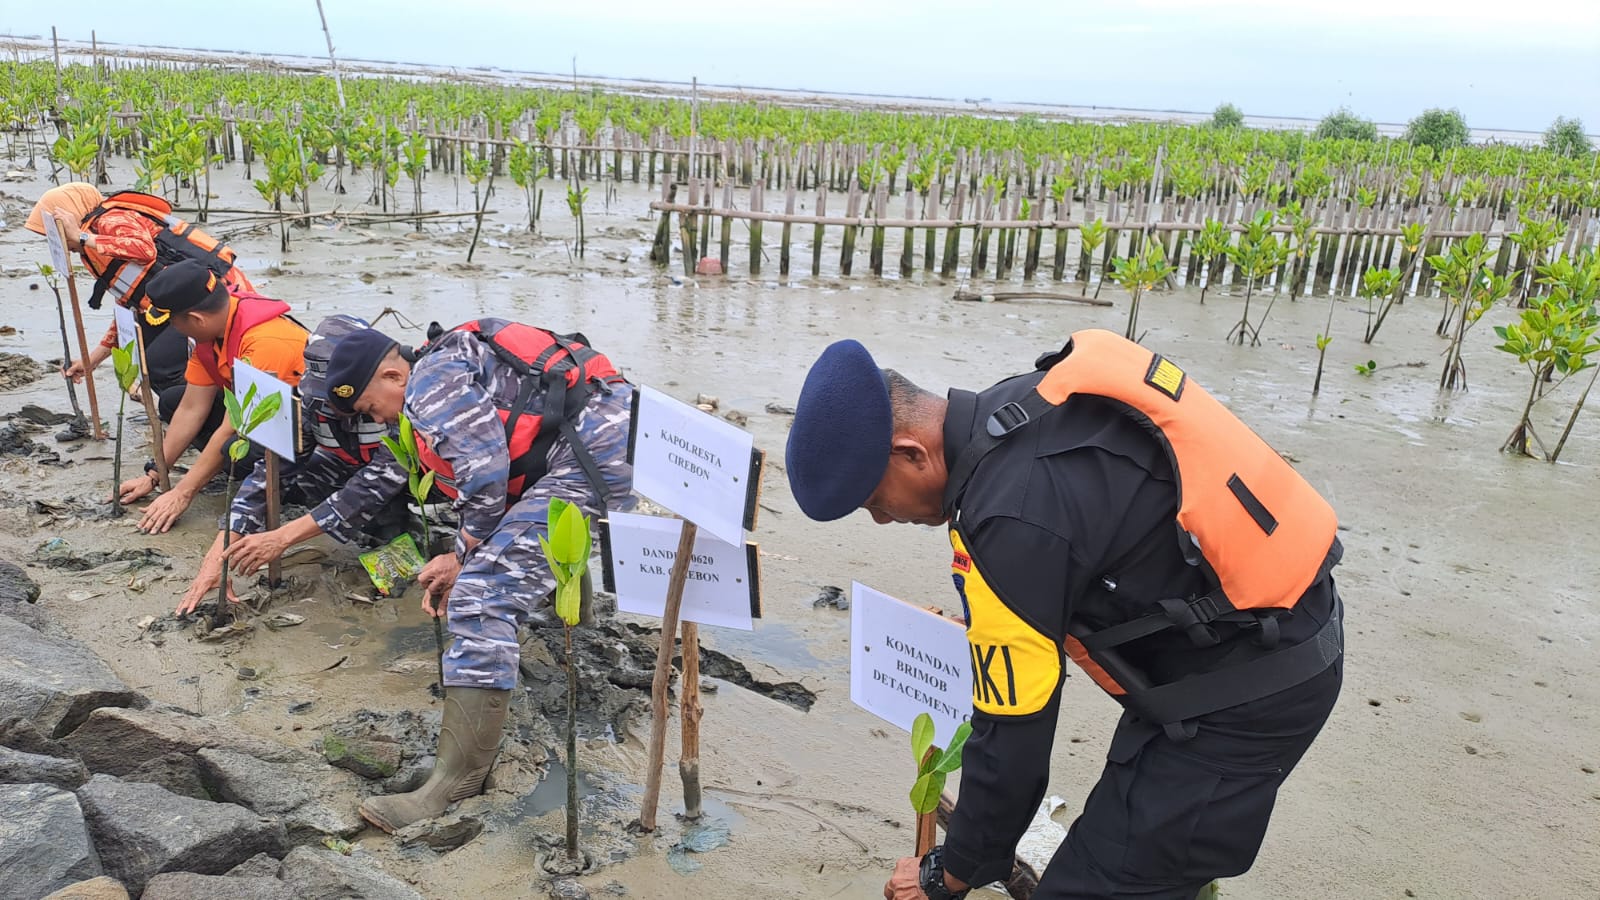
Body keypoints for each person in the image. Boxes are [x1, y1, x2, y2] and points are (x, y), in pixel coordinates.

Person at [784, 330, 1344, 900]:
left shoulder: (1007, 520)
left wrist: (951, 872)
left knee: (1097, 883)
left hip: (1251, 693)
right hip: (1271, 625)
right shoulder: (1017, 407)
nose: (882, 520)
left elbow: (1014, 736)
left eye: (876, 502)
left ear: (910, 453)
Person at [323, 318, 635, 832]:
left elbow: (487, 476)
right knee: (508, 555)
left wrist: (459, 553)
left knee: (482, 595)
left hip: (595, 457)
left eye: (369, 406)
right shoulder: (452, 358)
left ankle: (455, 781)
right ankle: (568, 632)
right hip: (606, 436)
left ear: (392, 375)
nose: (376, 417)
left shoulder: (428, 383)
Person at [175, 315, 411, 616]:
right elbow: (269, 476)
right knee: (309, 470)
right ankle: (374, 532)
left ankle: (409, 539)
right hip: (357, 473)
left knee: (396, 540)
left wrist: (281, 538)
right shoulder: (313, 404)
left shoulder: (407, 399)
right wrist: (217, 556)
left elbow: (371, 487)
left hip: (420, 484)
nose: (336, 410)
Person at [118, 260, 308, 535]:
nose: (174, 329)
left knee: (236, 447)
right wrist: (154, 474)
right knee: (172, 400)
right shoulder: (217, 327)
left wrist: (183, 493)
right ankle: (226, 471)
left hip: (306, 437)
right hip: (263, 419)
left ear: (196, 319)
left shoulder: (265, 341)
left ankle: (290, 491)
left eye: (173, 322)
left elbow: (233, 426)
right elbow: (191, 408)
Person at [25, 186, 251, 413]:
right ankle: (184, 416)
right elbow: (129, 303)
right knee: (145, 356)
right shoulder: (94, 244)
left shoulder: (111, 220)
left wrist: (82, 237)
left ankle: (205, 418)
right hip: (173, 304)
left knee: (160, 364)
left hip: (215, 295)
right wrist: (92, 360)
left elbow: (145, 250)